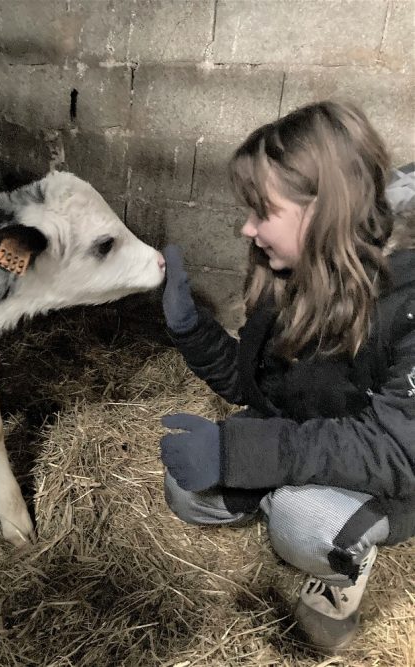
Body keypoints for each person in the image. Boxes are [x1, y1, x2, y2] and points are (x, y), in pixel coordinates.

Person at [159, 100, 415, 653]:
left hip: (396, 466)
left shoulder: (408, 302)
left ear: (323, 209)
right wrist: (192, 332)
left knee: (304, 520)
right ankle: (284, 495)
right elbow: (263, 391)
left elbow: (400, 449)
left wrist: (244, 454)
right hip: (323, 435)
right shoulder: (297, 274)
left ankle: (336, 588)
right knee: (186, 490)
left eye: (260, 210)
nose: (246, 227)